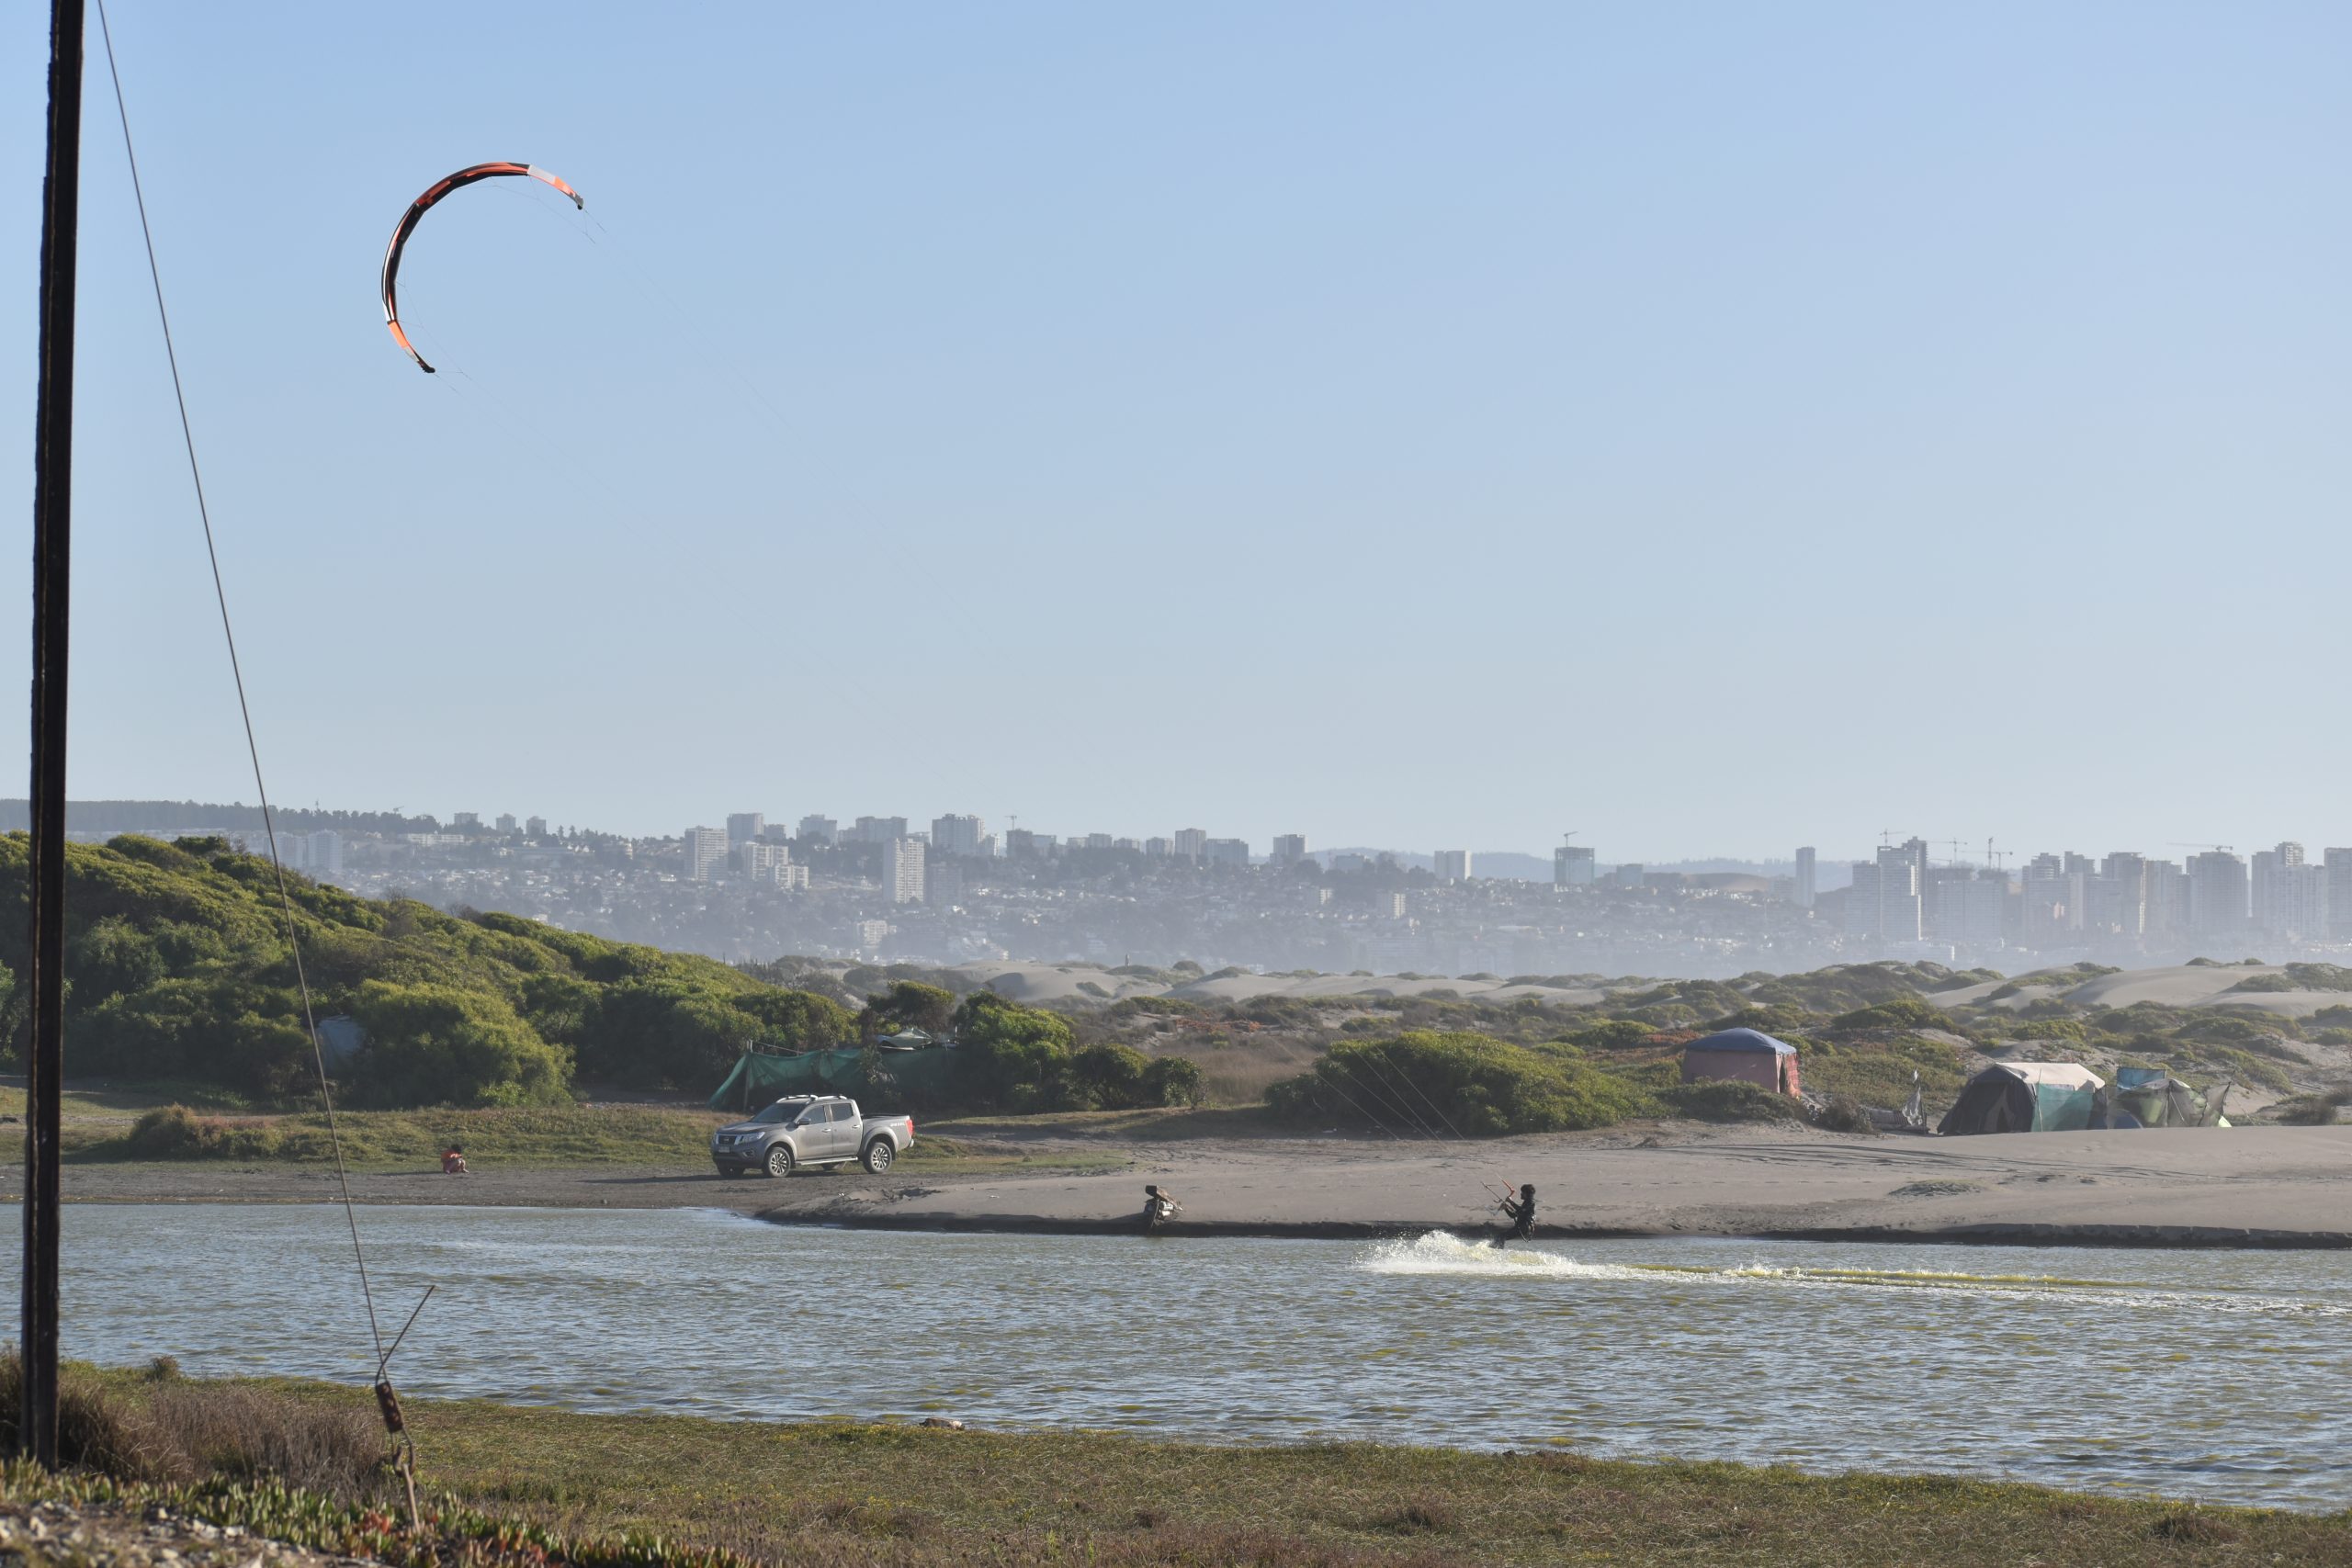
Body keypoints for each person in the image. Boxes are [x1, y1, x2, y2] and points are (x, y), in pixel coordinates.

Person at [1492, 1183, 1534, 1247]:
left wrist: (1511, 1202)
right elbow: (1513, 1215)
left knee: (1501, 1237)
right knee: (1499, 1236)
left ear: (1526, 1193)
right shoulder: (1526, 1203)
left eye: (1522, 1192)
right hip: (1519, 1227)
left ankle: (1497, 1252)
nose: (1521, 1194)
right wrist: (1506, 1208)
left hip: (1524, 1228)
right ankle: (1493, 1250)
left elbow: (1521, 1210)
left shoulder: (1530, 1202)